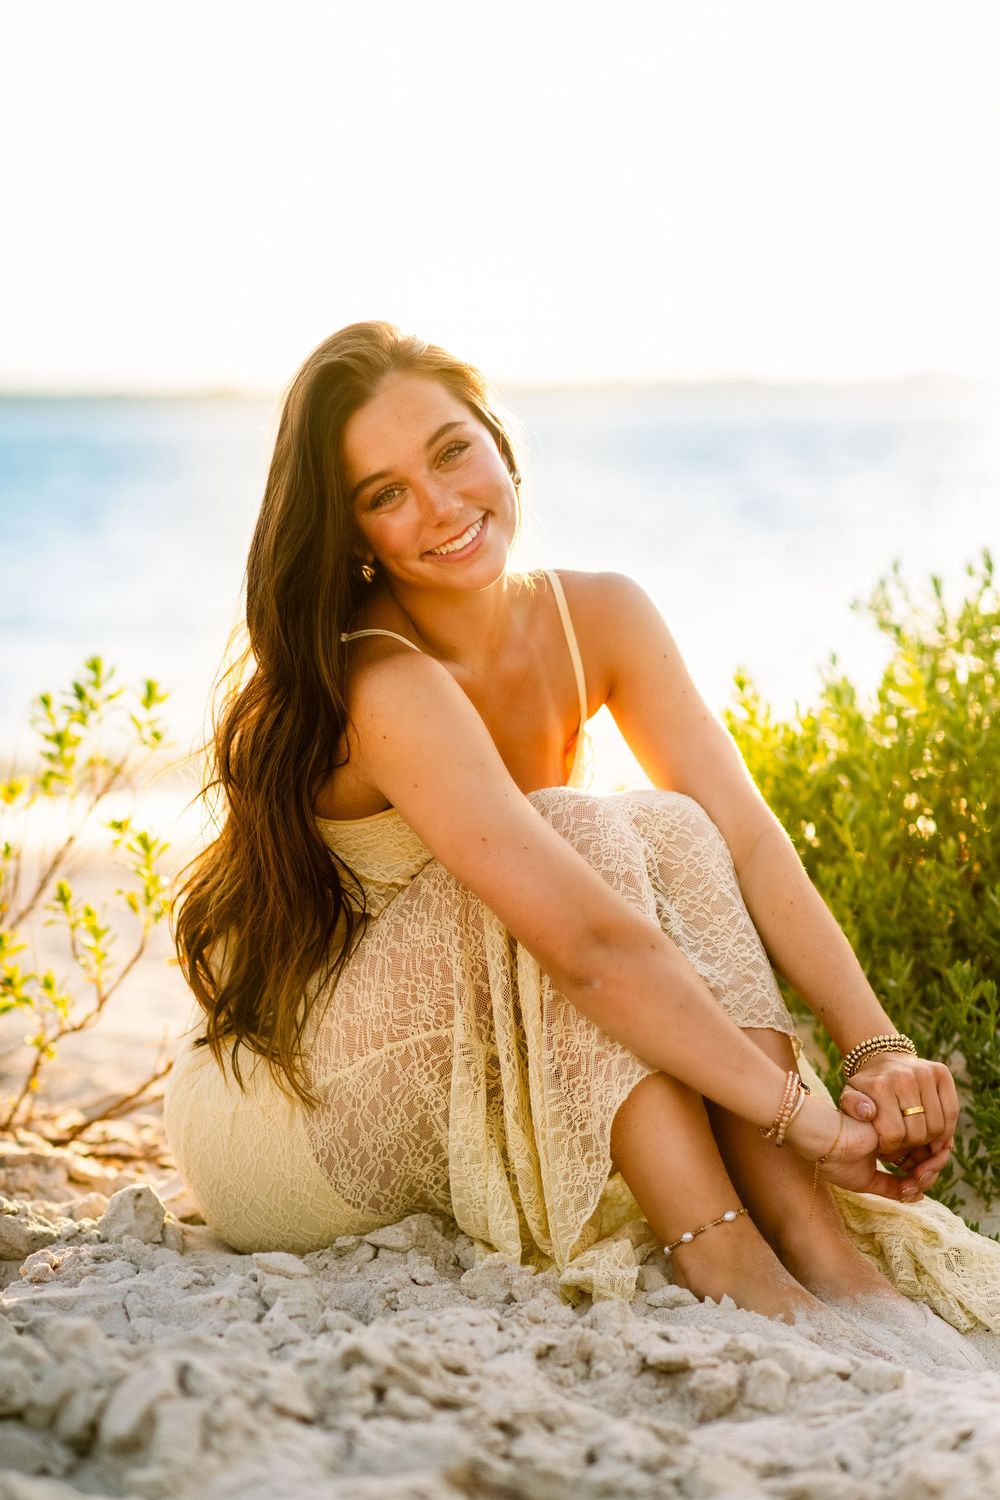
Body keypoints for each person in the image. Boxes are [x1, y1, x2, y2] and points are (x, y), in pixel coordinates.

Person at [165, 321, 999, 1344]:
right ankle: (722, 1250)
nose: (440, 507)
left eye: (450, 451)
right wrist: (810, 1118)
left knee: (671, 825)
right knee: (571, 831)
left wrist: (877, 1050)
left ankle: (808, 1235)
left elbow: (742, 839)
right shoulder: (383, 681)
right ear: (351, 534)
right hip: (297, 1122)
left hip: (460, 1058)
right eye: (384, 494)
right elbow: (590, 949)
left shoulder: (598, 615)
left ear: (498, 441)